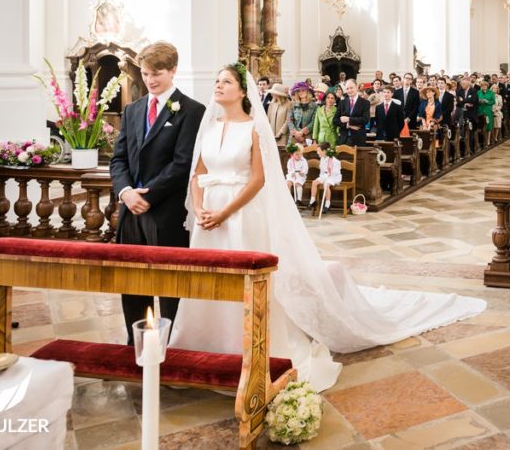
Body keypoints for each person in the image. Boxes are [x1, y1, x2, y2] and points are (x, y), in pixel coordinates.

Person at [169, 65, 486, 391]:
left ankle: (248, 345)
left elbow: (259, 179)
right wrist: (201, 206)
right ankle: (203, 343)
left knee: (244, 278)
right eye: (217, 81)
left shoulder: (253, 128)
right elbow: (197, 172)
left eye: (226, 82)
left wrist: (224, 211)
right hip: (208, 217)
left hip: (239, 214)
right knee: (208, 276)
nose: (218, 86)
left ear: (242, 91)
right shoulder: (208, 128)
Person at [110, 41, 206, 343]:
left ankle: (170, 345)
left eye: (157, 73)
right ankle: (134, 342)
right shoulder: (133, 110)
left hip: (166, 211)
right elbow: (119, 159)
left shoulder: (191, 110)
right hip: (130, 212)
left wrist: (147, 196)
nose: (150, 80)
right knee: (132, 280)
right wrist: (126, 192)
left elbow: (183, 164)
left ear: (173, 70)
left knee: (170, 283)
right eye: (146, 73)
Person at [335, 79, 371, 146]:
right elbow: (335, 120)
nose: (349, 90)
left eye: (351, 88)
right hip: (344, 138)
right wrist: (348, 126)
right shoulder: (342, 102)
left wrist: (349, 119)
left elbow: (365, 119)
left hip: (358, 138)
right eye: (347, 89)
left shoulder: (365, 103)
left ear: (357, 87)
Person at [308, 142, 341, 214]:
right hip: (324, 176)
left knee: (326, 185)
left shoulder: (334, 160)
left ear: (324, 151)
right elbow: (322, 171)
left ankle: (327, 204)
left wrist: (329, 172)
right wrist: (321, 178)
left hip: (333, 177)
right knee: (314, 182)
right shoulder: (322, 159)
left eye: (318, 151)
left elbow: (336, 172)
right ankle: (312, 201)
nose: (317, 152)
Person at [476, 79, 496, 145]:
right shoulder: (478, 92)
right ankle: (482, 140)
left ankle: (488, 140)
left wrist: (487, 101)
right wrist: (479, 101)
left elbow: (493, 101)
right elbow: (475, 100)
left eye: (485, 86)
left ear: (487, 86)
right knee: (481, 126)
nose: (484, 87)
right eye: (482, 86)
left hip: (488, 110)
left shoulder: (491, 92)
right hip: (480, 110)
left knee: (488, 125)